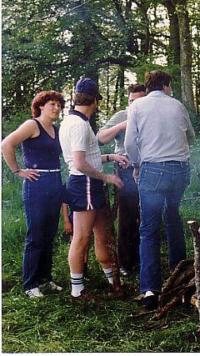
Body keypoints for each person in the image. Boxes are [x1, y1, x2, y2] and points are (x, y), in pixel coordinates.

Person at [124, 70, 195, 310]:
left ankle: (150, 290)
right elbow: (191, 137)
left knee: (149, 229)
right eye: (170, 86)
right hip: (179, 170)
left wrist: (136, 165)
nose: (171, 90)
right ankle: (180, 276)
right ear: (165, 85)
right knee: (173, 216)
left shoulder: (137, 106)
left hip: (152, 170)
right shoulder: (177, 106)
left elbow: (129, 144)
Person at [59, 77, 128, 299]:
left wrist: (109, 156)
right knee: (81, 237)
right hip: (85, 183)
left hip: (89, 182)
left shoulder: (73, 121)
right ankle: (77, 290)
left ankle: (113, 282)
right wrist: (106, 177)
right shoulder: (79, 125)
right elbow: (79, 163)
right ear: (95, 101)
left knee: (102, 235)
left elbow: (88, 155)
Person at [2, 91, 66, 298]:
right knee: (36, 235)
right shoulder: (32, 125)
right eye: (52, 104)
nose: (56, 108)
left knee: (49, 234)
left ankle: (45, 279)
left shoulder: (55, 129)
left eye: (59, 105)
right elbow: (6, 144)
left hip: (55, 182)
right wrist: (18, 171)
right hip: (36, 184)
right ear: (40, 106)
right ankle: (30, 284)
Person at [97, 84, 146, 276]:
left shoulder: (151, 114)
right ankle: (126, 263)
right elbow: (101, 138)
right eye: (132, 101)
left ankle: (144, 259)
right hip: (125, 170)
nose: (135, 104)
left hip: (149, 169)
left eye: (139, 100)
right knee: (127, 217)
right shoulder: (121, 115)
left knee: (146, 216)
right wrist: (123, 125)